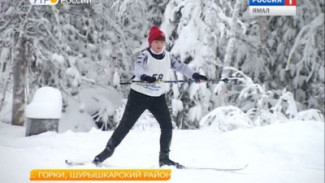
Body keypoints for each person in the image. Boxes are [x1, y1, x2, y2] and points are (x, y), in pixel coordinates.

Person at [93, 26, 208, 168]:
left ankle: (164, 159)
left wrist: (195, 76)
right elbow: (138, 69)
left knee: (167, 127)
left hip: (157, 97)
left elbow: (182, 67)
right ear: (151, 43)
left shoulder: (168, 56)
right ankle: (106, 153)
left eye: (161, 42)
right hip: (139, 97)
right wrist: (145, 77)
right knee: (125, 126)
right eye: (156, 42)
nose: (159, 45)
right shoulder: (145, 55)